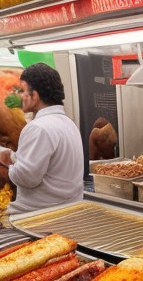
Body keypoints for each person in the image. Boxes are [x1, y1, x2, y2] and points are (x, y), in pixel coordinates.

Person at [0, 63, 84, 214]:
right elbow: (48, 167)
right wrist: (12, 157)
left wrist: (8, 167)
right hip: (66, 213)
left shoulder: (38, 128)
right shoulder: (68, 124)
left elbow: (26, 179)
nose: (19, 96)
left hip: (37, 218)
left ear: (35, 96)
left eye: (22, 91)